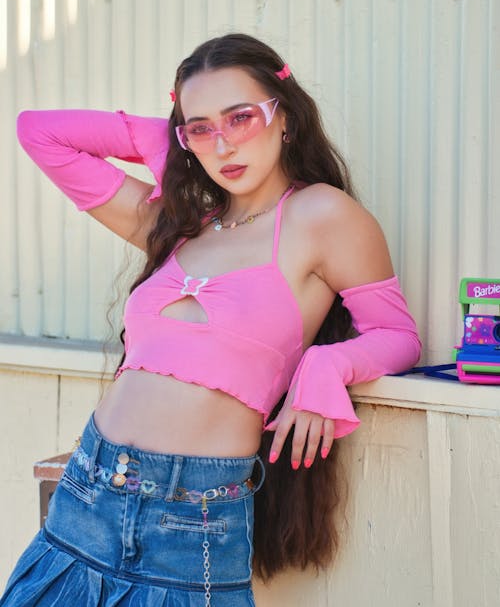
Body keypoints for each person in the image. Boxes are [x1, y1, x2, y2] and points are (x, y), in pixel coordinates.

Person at [1, 33, 421, 606]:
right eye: (201, 127)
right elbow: (38, 131)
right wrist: (176, 147)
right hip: (86, 495)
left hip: (192, 521)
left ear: (286, 118)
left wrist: (330, 363)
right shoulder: (177, 226)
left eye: (241, 117)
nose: (224, 145)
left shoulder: (323, 216)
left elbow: (397, 334)